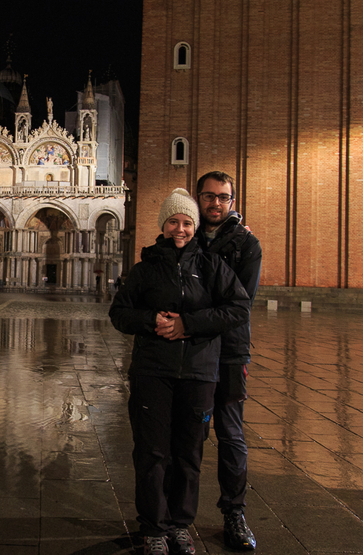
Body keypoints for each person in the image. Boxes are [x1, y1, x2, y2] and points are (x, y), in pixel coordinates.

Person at [110, 188, 250, 555]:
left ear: (195, 226)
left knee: (189, 454)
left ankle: (180, 525)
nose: (180, 229)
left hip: (199, 373)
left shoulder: (211, 266)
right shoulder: (144, 270)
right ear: (163, 224)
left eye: (187, 222)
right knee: (152, 452)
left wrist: (189, 324)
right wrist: (150, 319)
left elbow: (238, 308)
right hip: (152, 372)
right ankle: (154, 527)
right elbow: (119, 313)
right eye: (173, 221)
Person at [194, 171, 261, 551]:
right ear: (198, 198)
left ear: (232, 202)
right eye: (209, 196)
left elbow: (240, 305)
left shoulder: (247, 244)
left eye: (223, 197)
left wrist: (191, 319)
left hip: (231, 351)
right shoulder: (185, 237)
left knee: (231, 434)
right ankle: (176, 515)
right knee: (192, 434)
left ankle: (234, 513)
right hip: (194, 352)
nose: (215, 203)